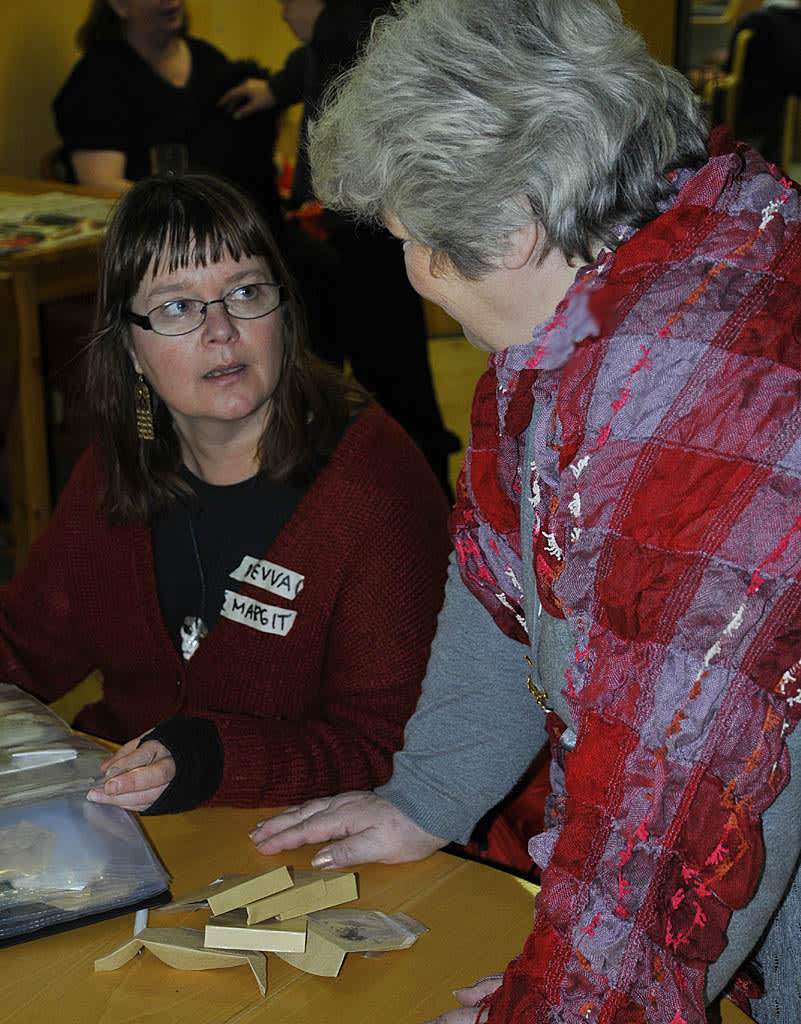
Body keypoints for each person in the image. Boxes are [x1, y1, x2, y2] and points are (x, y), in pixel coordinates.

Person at [249, 1, 801, 1020]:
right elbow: (506, 574)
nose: (414, 275)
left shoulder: (709, 401)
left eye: (417, 242)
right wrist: (431, 794)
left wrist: (568, 1005)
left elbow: (675, 792)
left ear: (513, 225)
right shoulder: (589, 309)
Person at [0, 173, 450, 817]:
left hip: (305, 849)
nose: (221, 330)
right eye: (177, 306)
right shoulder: (113, 470)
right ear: (130, 345)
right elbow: (23, 645)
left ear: (282, 311)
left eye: (244, 292)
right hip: (131, 830)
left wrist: (213, 759)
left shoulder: (374, 488)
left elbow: (393, 750)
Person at [219, 0, 460, 499]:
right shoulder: (335, 30)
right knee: (347, 387)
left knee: (392, 391)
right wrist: (281, 84)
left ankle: (425, 512)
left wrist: (324, 26)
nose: (283, 10)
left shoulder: (350, 23)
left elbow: (384, 36)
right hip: (345, 232)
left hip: (363, 228)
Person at [727, 0, 801, 163]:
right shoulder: (795, 25)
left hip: (748, 100)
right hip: (785, 92)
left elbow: (730, 65)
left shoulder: (753, 20)